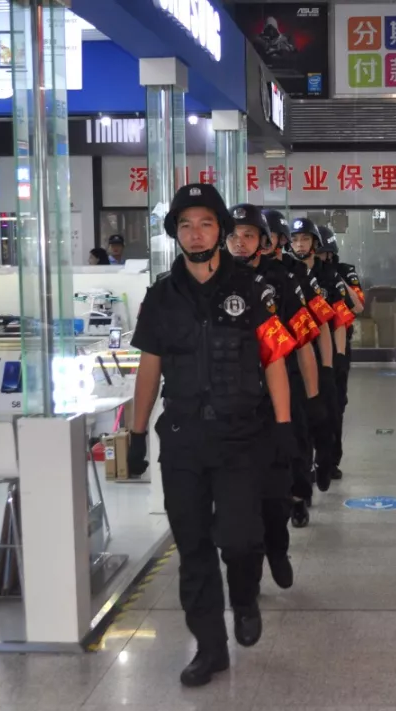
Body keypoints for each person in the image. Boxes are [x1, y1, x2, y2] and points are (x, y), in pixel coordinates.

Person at [126, 184, 296, 687]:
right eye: (185, 225)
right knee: (193, 546)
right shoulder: (161, 296)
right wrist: (136, 433)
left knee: (241, 539)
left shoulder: (253, 289)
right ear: (175, 234)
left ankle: (244, 599)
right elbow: (149, 368)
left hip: (241, 436)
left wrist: (285, 426)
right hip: (183, 440)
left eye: (204, 224)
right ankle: (210, 646)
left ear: (220, 230)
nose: (195, 233)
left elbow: (274, 359)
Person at [225, 203, 321, 590]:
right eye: (232, 236)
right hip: (228, 410)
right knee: (234, 505)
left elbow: (300, 344)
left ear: (264, 242)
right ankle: (246, 585)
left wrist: (314, 400)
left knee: (275, 492)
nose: (239, 243)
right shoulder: (211, 284)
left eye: (248, 235)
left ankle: (277, 549)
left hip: (274, 399)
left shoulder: (280, 282)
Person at [264, 209, 335, 525]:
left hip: (292, 368)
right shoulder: (234, 278)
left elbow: (318, 326)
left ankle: (297, 496)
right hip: (251, 377)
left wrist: (325, 375)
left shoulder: (295, 276)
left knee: (297, 437)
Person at [290, 218, 356, 491]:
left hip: (325, 352)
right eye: (294, 240)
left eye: (304, 239)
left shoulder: (329, 275)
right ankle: (304, 471)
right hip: (296, 353)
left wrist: (335, 360)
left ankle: (328, 459)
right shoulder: (287, 273)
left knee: (332, 410)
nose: (299, 245)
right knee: (301, 414)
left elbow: (339, 318)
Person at [316, 225, 364, 478]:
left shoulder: (344, 272)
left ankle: (331, 460)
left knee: (335, 404)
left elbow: (358, 306)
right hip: (309, 346)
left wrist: (336, 279)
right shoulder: (300, 274)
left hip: (339, 347)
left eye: (320, 251)